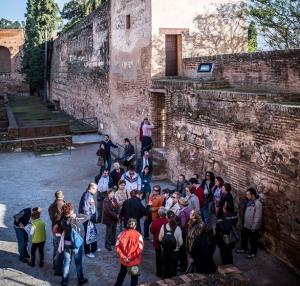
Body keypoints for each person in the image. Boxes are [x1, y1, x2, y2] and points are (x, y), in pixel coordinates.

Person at [60, 203, 89, 286]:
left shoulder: (62, 220)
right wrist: (75, 215)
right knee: (78, 263)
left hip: (66, 244)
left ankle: (64, 281)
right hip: (76, 245)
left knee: (66, 263)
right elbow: (86, 217)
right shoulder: (75, 220)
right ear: (71, 211)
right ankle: (80, 279)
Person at [114, 218, 144, 286]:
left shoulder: (121, 234)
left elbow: (117, 247)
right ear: (135, 226)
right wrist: (130, 258)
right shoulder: (138, 235)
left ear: (127, 225)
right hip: (134, 262)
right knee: (134, 279)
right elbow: (140, 249)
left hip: (124, 261)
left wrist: (124, 257)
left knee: (121, 276)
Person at [236, 188, 262, 259]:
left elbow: (257, 216)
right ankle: (244, 248)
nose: (246, 196)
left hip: (253, 226)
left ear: (252, 195)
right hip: (246, 224)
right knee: (244, 237)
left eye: (248, 194)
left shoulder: (258, 203)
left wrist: (254, 226)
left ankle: (253, 252)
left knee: (253, 240)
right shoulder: (249, 201)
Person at [159, 211, 183, 279]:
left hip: (165, 251)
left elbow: (160, 239)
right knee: (173, 270)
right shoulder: (178, 228)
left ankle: (164, 282)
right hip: (174, 252)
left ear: (167, 218)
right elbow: (181, 242)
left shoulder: (163, 227)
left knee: (165, 268)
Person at [79, 183, 100, 258]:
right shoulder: (87, 196)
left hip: (90, 218)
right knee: (88, 235)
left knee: (93, 232)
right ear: (91, 188)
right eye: (95, 189)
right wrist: (90, 218)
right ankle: (88, 251)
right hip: (88, 219)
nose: (96, 190)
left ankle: (94, 248)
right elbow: (85, 209)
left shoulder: (89, 194)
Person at [48, 191, 65, 275]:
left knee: (55, 248)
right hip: (59, 231)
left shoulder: (51, 206)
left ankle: (54, 265)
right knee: (60, 250)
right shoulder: (62, 205)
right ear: (62, 196)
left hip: (54, 230)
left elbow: (52, 218)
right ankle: (58, 270)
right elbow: (61, 219)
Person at [150, 207, 168, 278]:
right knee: (165, 257)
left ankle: (159, 272)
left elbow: (152, 230)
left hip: (157, 242)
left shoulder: (156, 221)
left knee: (158, 258)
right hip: (166, 242)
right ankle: (165, 272)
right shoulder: (167, 221)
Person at [178, 197, 191, 272]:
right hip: (187, 231)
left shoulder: (182, 212)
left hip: (183, 232)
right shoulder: (188, 209)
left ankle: (183, 265)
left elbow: (182, 224)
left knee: (182, 249)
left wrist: (177, 225)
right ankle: (183, 263)